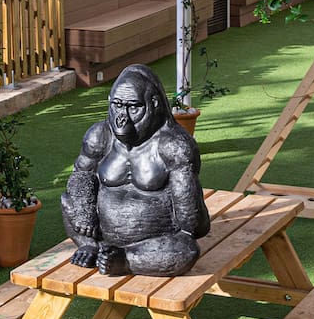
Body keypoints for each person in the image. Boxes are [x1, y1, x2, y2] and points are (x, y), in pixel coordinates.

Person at [60, 64, 209, 276]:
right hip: (99, 234)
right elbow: (80, 177)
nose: (122, 117)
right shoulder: (100, 135)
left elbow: (193, 226)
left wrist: (188, 191)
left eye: (133, 108)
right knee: (69, 201)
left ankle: (126, 260)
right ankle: (90, 246)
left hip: (154, 242)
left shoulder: (173, 145)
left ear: (154, 104)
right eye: (117, 105)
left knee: (186, 249)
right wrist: (85, 217)